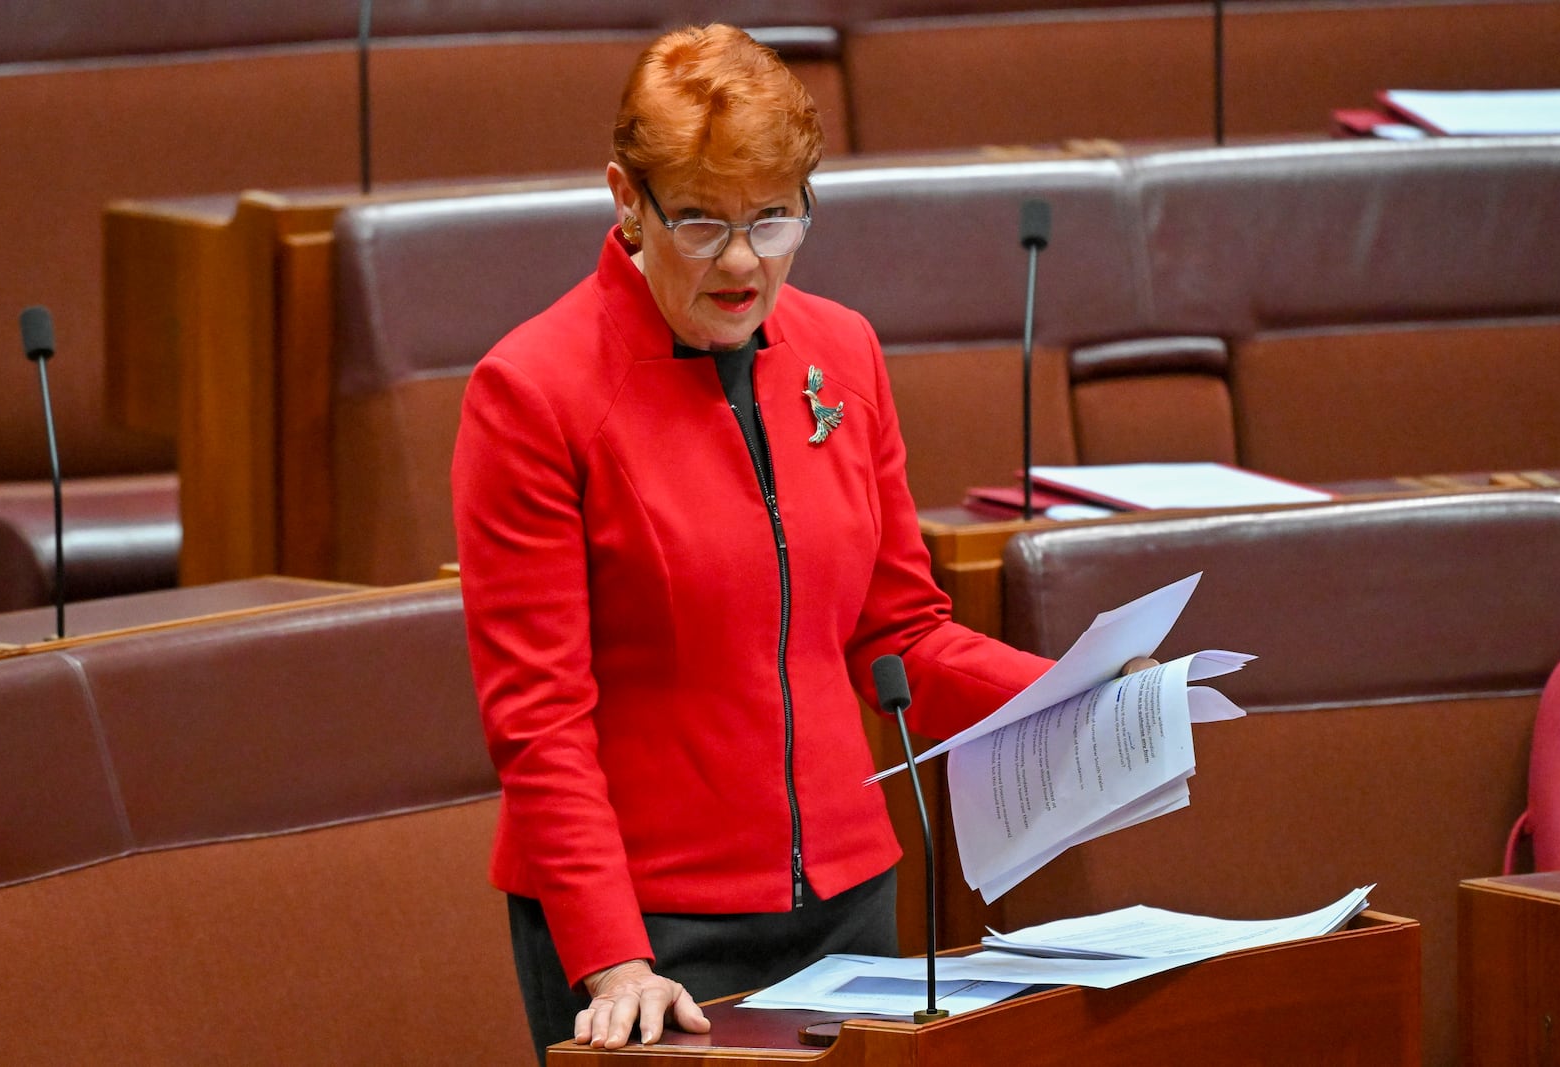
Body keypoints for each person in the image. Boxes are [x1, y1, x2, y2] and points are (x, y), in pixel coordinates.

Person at [451, 23, 1135, 1060]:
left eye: (773, 219)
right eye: (699, 223)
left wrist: (1073, 690)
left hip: (851, 901)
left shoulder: (842, 350)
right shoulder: (532, 392)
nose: (740, 261)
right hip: (648, 934)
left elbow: (897, 630)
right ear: (624, 200)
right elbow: (541, 718)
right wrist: (612, 955)